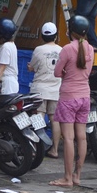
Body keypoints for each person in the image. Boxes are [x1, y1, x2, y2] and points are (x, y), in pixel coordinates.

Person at [49, 15, 94, 188]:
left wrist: (67, 73)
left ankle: (67, 178)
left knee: (68, 138)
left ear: (71, 31)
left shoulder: (67, 49)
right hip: (85, 97)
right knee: (81, 138)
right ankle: (77, 176)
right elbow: (86, 72)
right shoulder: (90, 48)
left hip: (69, 97)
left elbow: (57, 72)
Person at [27, 22, 62, 158]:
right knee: (54, 119)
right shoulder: (61, 50)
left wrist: (30, 67)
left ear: (42, 35)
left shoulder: (38, 49)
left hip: (40, 89)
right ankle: (54, 150)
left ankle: (36, 148)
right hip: (56, 89)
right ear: (55, 35)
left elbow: (33, 67)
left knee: (38, 116)